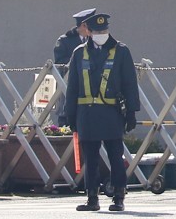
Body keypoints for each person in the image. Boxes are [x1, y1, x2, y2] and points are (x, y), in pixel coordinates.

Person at [65, 12, 140, 213]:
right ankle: (92, 197)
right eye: (97, 31)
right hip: (87, 113)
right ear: (88, 31)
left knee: (116, 155)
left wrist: (132, 111)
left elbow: (130, 83)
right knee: (90, 157)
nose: (101, 34)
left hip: (112, 112)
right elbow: (72, 86)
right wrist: (69, 114)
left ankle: (118, 196)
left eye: (104, 30)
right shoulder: (79, 53)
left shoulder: (121, 51)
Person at [53, 8, 96, 126]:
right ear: (83, 25)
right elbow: (60, 62)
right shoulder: (65, 41)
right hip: (71, 87)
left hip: (91, 91)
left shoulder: (95, 40)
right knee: (67, 121)